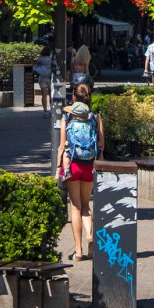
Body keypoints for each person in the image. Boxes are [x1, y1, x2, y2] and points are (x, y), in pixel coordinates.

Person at [55, 84, 104, 261]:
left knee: (74, 206)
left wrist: (58, 169)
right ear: (89, 97)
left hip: (72, 165)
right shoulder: (95, 117)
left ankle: (78, 251)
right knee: (85, 205)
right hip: (89, 166)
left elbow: (62, 147)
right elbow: (101, 145)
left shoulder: (67, 118)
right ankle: (90, 235)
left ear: (74, 98)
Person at [33, 48, 53, 115]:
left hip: (42, 77)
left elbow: (37, 67)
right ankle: (52, 109)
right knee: (51, 95)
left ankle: (45, 111)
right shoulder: (51, 59)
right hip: (50, 77)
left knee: (44, 95)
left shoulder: (40, 59)